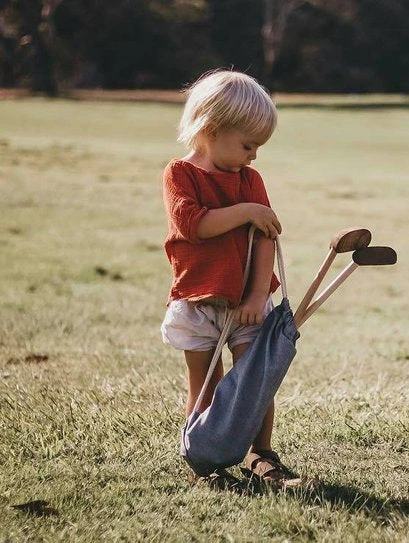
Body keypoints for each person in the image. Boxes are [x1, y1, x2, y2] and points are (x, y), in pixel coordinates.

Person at [160, 69, 292, 484]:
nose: (254, 155)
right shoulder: (180, 175)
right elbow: (191, 225)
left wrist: (257, 296)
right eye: (248, 145)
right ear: (212, 130)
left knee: (254, 379)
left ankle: (261, 453)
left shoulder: (250, 180)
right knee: (204, 382)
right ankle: (204, 458)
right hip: (197, 299)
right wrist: (247, 211)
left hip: (245, 304)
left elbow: (265, 239)